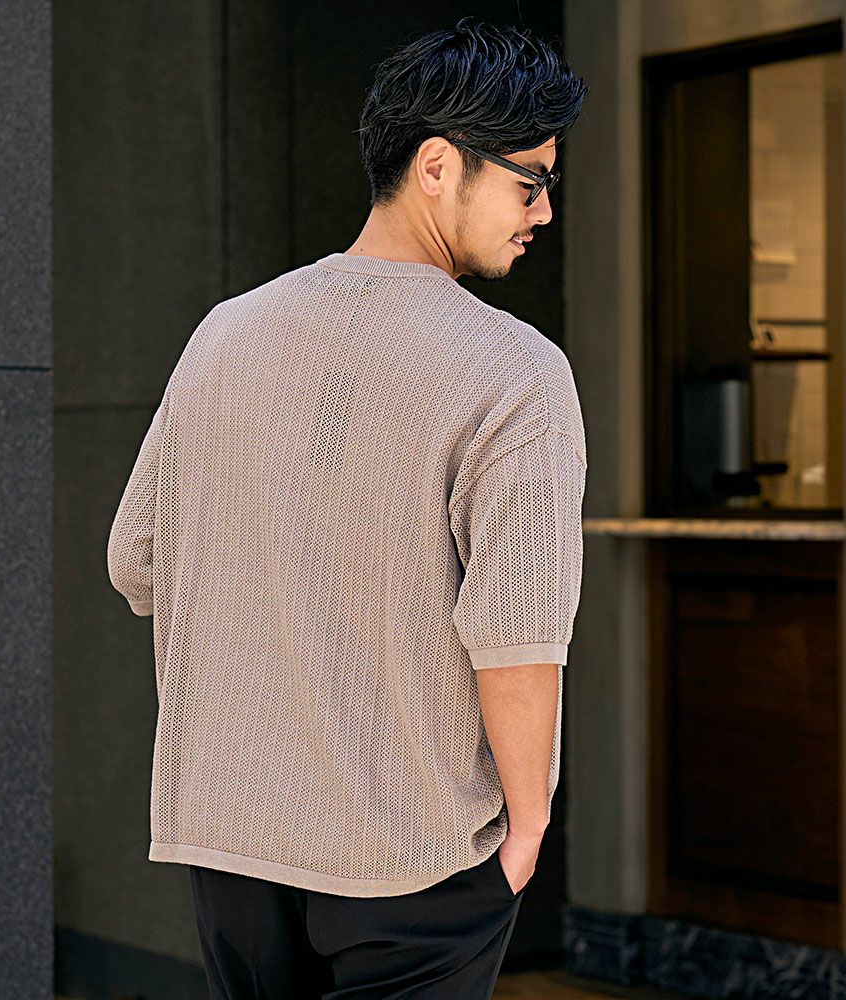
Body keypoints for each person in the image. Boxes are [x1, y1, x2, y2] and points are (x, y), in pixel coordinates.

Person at [106, 14, 589, 999]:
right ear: (438, 166)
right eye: (529, 181)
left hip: (230, 838)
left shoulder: (226, 335)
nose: (544, 210)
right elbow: (515, 634)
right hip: (411, 854)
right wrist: (529, 827)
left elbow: (135, 558)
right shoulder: (513, 371)